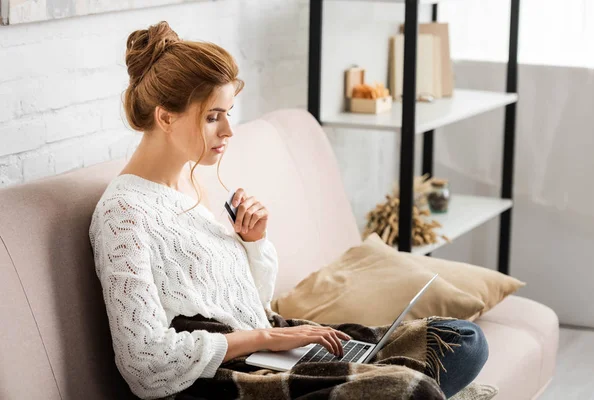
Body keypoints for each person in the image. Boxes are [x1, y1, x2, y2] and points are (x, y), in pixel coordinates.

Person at [88, 21, 488, 400]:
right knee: (410, 390)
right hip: (224, 379)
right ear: (165, 116)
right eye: (213, 117)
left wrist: (254, 243)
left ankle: (384, 378)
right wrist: (270, 340)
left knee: (462, 341)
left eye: (228, 113)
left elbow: (247, 300)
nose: (228, 130)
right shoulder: (123, 213)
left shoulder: (190, 183)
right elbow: (143, 363)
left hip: (270, 345)